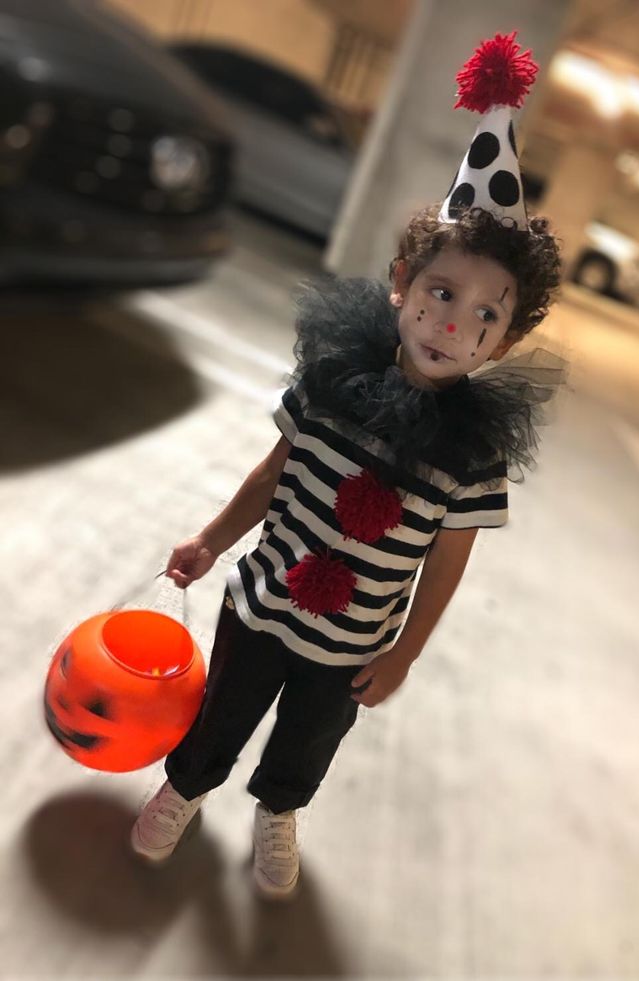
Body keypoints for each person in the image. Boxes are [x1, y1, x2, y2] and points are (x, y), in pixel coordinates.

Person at [129, 31, 569, 900]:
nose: (454, 323)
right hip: (263, 599)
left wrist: (405, 649)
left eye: (485, 314)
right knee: (223, 707)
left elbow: (448, 556)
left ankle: (279, 809)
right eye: (442, 293)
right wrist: (213, 539)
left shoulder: (469, 451)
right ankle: (184, 786)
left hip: (354, 638)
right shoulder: (331, 384)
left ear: (506, 338)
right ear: (404, 283)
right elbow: (270, 474)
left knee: (308, 738)